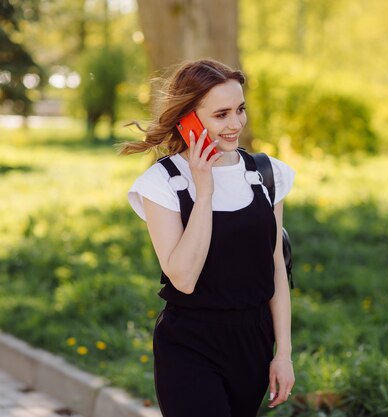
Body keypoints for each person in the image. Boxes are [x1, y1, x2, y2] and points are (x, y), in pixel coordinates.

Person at [122, 58, 295, 417]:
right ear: (189, 118)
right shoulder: (162, 182)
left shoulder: (266, 174)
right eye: (221, 115)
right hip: (190, 344)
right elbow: (183, 278)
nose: (235, 124)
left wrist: (283, 354)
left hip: (254, 342)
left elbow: (276, 264)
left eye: (240, 110)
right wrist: (204, 192)